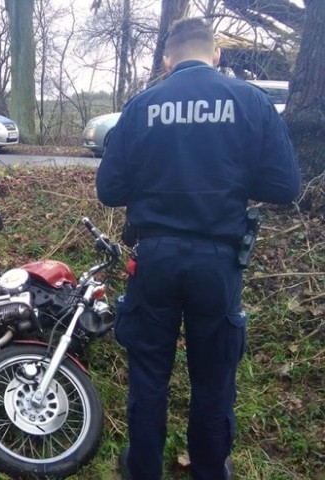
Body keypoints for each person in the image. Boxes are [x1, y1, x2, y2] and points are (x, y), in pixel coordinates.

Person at [95, 17, 300, 480]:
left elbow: (109, 189)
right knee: (213, 378)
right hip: (218, 260)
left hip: (155, 258)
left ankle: (143, 469)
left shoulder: (142, 105)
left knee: (149, 374)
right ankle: (210, 470)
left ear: (168, 59)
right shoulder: (250, 101)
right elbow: (285, 186)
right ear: (216, 55)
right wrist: (235, 181)